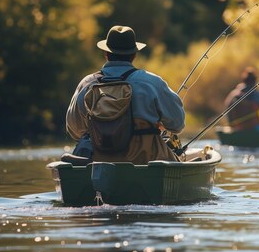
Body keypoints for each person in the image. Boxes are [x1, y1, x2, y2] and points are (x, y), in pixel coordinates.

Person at [65, 25, 184, 164]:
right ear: (134, 54)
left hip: (98, 166)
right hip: (148, 163)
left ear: (106, 53)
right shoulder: (152, 83)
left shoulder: (86, 84)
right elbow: (177, 124)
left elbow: (74, 130)